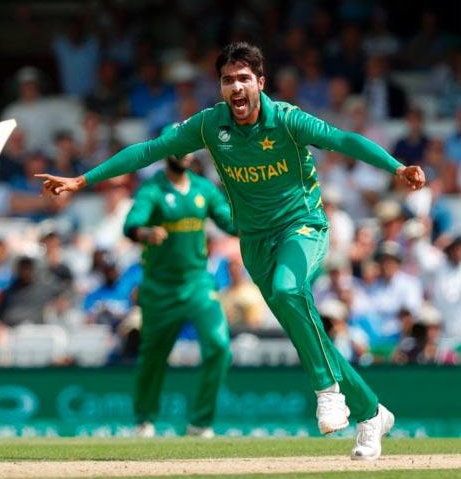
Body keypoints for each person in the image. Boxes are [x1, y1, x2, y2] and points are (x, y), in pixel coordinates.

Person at [37, 42, 426, 460]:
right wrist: (84, 179)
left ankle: (328, 391)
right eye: (228, 80)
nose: (236, 87)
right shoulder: (210, 126)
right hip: (255, 241)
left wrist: (396, 167)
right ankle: (371, 414)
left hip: (303, 227)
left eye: (244, 78)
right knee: (304, 327)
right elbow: (148, 151)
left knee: (288, 289)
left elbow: (345, 140)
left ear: (260, 83)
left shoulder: (288, 120)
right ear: (221, 88)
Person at [124, 153, 234, 438]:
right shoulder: (152, 190)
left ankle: (201, 422)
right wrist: (145, 233)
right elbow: (132, 223)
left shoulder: (203, 188)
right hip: (160, 287)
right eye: (177, 150)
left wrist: (256, 216)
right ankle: (144, 419)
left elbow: (228, 221)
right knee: (153, 356)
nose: (184, 156)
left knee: (219, 346)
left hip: (197, 282)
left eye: (187, 150)